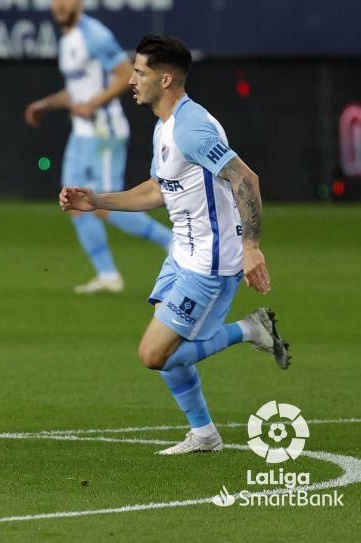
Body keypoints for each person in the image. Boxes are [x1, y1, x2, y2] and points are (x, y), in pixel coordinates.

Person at [60, 35, 291, 454]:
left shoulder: (192, 127)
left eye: (140, 72)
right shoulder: (165, 126)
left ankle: (250, 329)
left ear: (166, 79)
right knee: (165, 344)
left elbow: (245, 180)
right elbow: (157, 191)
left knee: (155, 354)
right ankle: (204, 433)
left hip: (210, 264)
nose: (131, 79)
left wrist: (252, 246)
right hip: (181, 255)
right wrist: (96, 200)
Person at [25, 0, 172, 294]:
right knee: (73, 201)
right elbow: (78, 89)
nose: (59, 6)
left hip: (103, 131)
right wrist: (47, 104)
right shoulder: (69, 40)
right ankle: (108, 275)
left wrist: (93, 104)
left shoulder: (95, 34)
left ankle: (174, 242)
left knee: (103, 206)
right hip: (82, 133)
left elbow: (123, 74)